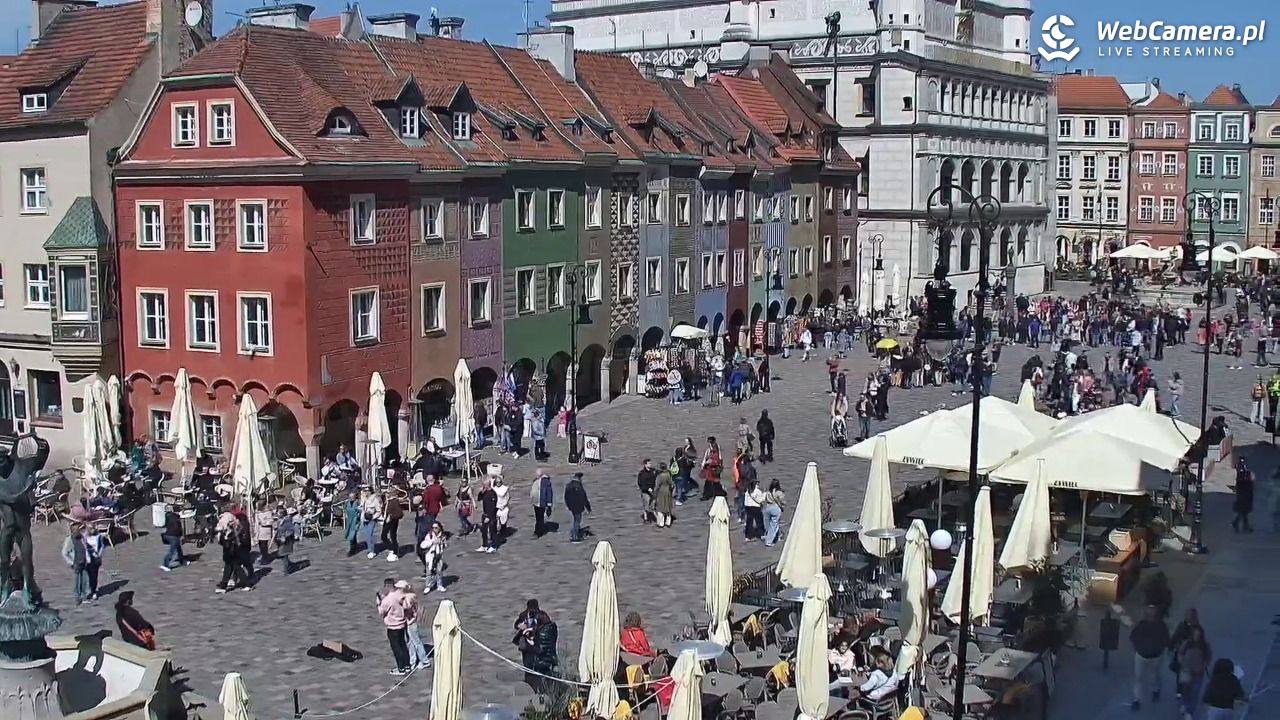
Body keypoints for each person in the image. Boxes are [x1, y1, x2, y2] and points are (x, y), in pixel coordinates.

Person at [1129, 604, 1170, 710]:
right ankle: (1137, 699)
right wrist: (1138, 648)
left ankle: (1155, 689)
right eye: (1149, 615)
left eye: (1153, 615)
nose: (1151, 617)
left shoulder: (1160, 626)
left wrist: (1158, 649)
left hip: (1154, 656)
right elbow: (1133, 637)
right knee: (1139, 677)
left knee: (1154, 675)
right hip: (1143, 655)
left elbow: (1165, 640)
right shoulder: (1143, 625)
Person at [1175, 624, 1211, 719]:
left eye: (1198, 635)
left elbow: (1208, 658)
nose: (1197, 637)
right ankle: (1184, 704)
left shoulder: (1205, 646)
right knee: (1185, 690)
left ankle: (1189, 711)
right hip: (1186, 670)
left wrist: (1204, 666)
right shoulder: (1187, 643)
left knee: (1195, 693)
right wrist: (1181, 662)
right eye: (1195, 635)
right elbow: (1180, 653)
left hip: (1198, 672)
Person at [378, 580, 412, 676]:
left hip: (393, 626)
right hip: (402, 623)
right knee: (403, 645)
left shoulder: (387, 600)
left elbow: (381, 612)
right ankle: (407, 665)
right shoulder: (400, 594)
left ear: (388, 587)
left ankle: (401, 668)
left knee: (396, 648)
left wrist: (378, 603)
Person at [61, 523, 91, 604]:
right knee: (77, 581)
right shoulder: (69, 540)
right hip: (76, 563)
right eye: (76, 530)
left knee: (85, 579)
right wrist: (71, 562)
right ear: (72, 531)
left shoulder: (82, 538)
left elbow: (85, 548)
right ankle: (77, 597)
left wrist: (88, 559)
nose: (78, 531)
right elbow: (64, 552)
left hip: (83, 562)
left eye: (78, 530)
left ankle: (84, 596)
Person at [159, 504, 188, 572]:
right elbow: (176, 528)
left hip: (168, 534)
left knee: (178, 549)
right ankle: (165, 564)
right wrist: (180, 535)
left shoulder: (168, 515)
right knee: (172, 551)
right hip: (173, 536)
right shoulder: (175, 518)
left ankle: (181, 561)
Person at [564, 472, 591, 543]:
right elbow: (583, 497)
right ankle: (575, 536)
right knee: (577, 520)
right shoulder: (579, 486)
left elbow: (565, 496)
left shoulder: (568, 485)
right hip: (578, 506)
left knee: (575, 519)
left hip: (571, 506)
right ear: (579, 478)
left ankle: (577, 532)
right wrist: (588, 507)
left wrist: (568, 505)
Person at [420, 521, 447, 592]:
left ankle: (439, 585)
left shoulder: (442, 536)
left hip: (438, 555)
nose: (434, 529)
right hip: (430, 556)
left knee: (439, 571)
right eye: (433, 528)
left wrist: (442, 543)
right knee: (429, 571)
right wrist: (432, 542)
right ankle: (428, 586)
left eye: (436, 528)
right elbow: (423, 545)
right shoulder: (429, 535)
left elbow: (444, 546)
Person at [84, 524, 106, 601]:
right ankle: (89, 590)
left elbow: (102, 546)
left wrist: (99, 555)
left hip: (96, 558)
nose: (92, 530)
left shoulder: (99, 536)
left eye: (93, 528)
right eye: (90, 528)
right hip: (87, 559)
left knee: (94, 576)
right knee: (88, 575)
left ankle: (93, 591)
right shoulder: (85, 537)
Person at [1232, 460, 1255, 532]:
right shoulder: (1246, 479)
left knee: (1243, 513)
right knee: (1243, 513)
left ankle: (1239, 525)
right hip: (1244, 497)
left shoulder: (1241, 478)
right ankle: (1241, 525)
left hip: (1242, 496)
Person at [275, 506, 299, 574]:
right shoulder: (280, 521)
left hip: (287, 541)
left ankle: (286, 570)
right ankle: (288, 564)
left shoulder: (287, 521)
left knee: (284, 554)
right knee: (282, 555)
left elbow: (291, 530)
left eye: (278, 513)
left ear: (282, 514)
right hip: (280, 540)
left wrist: (285, 536)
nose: (277, 514)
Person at [359, 489, 381, 559]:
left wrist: (373, 517)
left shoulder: (375, 500)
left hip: (372, 519)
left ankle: (371, 551)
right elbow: (362, 508)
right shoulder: (363, 499)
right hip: (365, 519)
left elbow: (379, 511)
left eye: (367, 491)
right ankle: (370, 549)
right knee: (366, 535)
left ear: (370, 491)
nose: (365, 492)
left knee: (369, 534)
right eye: (364, 491)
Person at [531, 468, 554, 537]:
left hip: (541, 502)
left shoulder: (546, 482)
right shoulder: (536, 481)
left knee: (540, 518)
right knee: (538, 517)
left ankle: (538, 532)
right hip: (536, 502)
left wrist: (549, 504)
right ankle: (538, 530)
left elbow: (549, 493)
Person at [381, 492, 404, 562]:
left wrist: (391, 516)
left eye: (388, 493)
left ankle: (395, 550)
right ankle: (392, 548)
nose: (386, 494)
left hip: (393, 521)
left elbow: (400, 514)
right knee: (383, 536)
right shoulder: (387, 501)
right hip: (386, 520)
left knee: (392, 536)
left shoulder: (394, 501)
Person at [762, 479, 785, 547]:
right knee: (774, 524)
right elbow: (782, 501)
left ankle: (777, 537)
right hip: (775, 508)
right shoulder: (778, 492)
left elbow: (764, 499)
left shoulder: (768, 492)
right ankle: (769, 541)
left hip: (767, 508)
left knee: (770, 524)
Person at [653, 462, 675, 529]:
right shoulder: (668, 474)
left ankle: (661, 523)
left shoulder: (659, 476)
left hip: (661, 492)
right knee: (668, 506)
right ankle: (668, 522)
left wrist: (654, 494)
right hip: (668, 491)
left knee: (660, 507)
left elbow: (657, 486)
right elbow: (672, 484)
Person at [254, 500, 275, 565]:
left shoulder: (268, 512)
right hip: (259, 531)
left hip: (265, 530)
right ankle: (264, 556)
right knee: (260, 545)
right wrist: (255, 532)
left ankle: (265, 558)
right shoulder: (257, 513)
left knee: (264, 545)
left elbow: (271, 521)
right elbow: (256, 523)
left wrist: (264, 523)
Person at [342, 491, 362, 557]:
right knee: (351, 534)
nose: (351, 498)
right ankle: (355, 545)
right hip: (349, 521)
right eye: (350, 497)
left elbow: (360, 510)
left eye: (352, 497)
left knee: (352, 535)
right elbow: (344, 509)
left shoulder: (357, 502)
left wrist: (358, 515)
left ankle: (352, 550)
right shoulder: (347, 502)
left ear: (355, 497)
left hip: (355, 520)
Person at [637, 459, 657, 524]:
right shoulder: (642, 473)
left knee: (653, 504)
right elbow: (640, 483)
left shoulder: (653, 471)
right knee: (646, 505)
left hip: (652, 490)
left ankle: (655, 517)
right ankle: (646, 518)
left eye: (650, 463)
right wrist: (647, 488)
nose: (650, 464)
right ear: (645, 465)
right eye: (649, 463)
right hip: (645, 492)